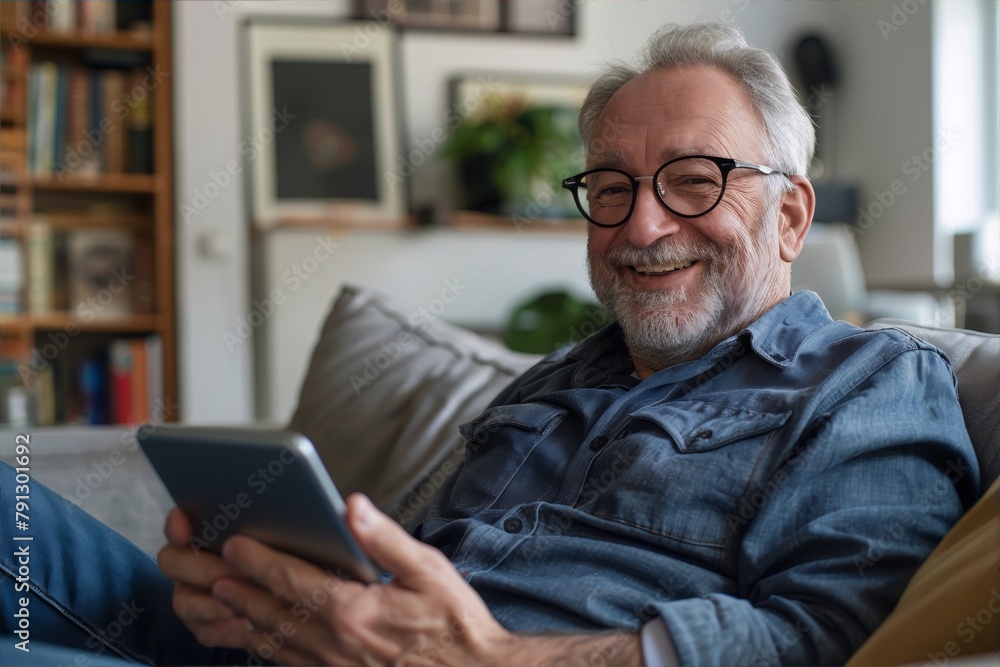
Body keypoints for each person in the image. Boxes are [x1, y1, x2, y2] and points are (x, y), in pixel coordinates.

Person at [0, 22, 979, 667]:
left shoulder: (873, 386)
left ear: (792, 214)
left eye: (693, 180)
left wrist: (481, 658)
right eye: (609, 188)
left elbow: (824, 636)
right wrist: (279, 593)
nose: (640, 228)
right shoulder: (563, 374)